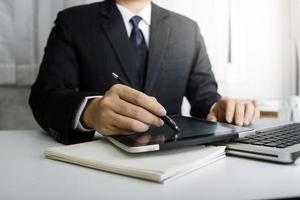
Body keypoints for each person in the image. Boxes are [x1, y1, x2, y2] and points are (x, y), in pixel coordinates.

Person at [29, 0, 260, 144]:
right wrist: (90, 112)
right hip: (101, 160)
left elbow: (205, 97)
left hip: (175, 159)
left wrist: (217, 109)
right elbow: (45, 96)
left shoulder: (187, 29)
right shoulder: (74, 22)